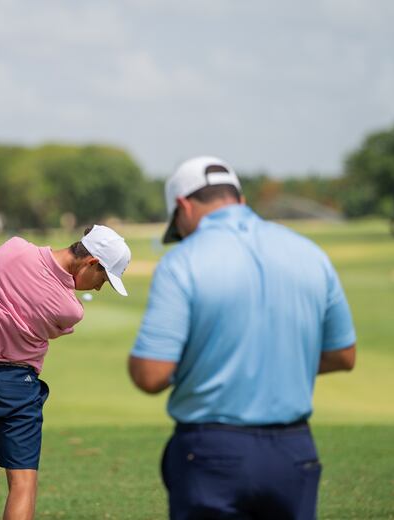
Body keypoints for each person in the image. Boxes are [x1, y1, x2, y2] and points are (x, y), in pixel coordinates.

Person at [128, 156, 356, 520]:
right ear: (240, 200)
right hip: (295, 452)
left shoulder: (182, 261)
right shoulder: (311, 253)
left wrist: (212, 364)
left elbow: (150, 374)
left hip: (211, 452)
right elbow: (344, 355)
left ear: (183, 206)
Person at [0, 225, 131, 520]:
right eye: (103, 277)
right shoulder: (70, 309)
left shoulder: (15, 249)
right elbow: (58, 327)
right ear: (91, 263)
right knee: (23, 484)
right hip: (14, 387)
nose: (99, 287)